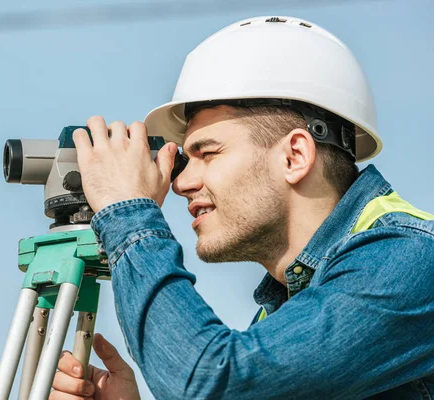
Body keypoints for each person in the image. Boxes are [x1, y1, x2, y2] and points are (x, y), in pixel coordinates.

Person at [50, 16, 434, 399]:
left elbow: (214, 382)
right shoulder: (286, 309)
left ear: (294, 156)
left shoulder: (413, 261)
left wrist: (127, 213)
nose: (181, 182)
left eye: (208, 153)